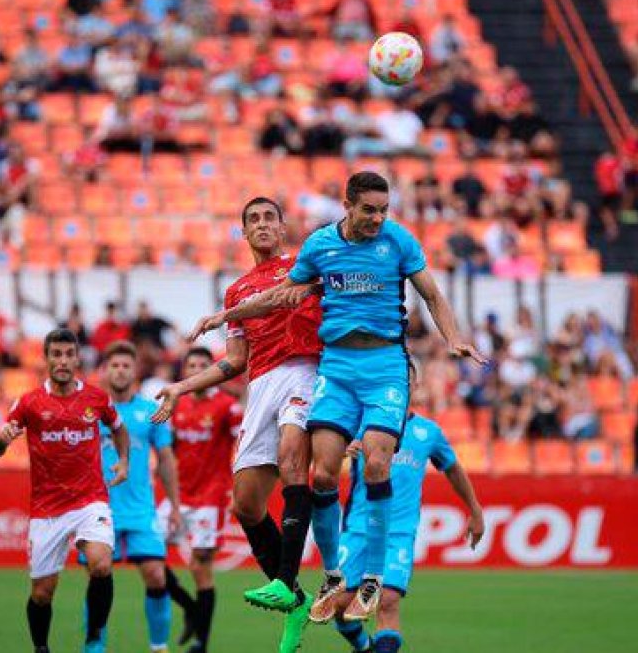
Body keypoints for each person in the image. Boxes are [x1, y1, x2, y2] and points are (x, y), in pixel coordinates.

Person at [188, 172, 485, 626]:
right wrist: (224, 316)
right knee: (324, 473)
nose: (377, 218)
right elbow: (279, 296)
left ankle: (371, 576)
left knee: (377, 461)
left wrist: (454, 338)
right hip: (337, 369)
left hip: (385, 365)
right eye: (369, 209)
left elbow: (432, 294)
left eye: (383, 209)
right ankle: (331, 575)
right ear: (348, 205)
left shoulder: (399, 242)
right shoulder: (320, 247)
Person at [152, 196, 323, 652]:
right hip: (261, 384)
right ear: (243, 234)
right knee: (245, 506)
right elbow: (234, 363)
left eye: (270, 217)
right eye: (253, 220)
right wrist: (180, 387)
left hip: (305, 369)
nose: (262, 224)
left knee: (291, 459)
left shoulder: (305, 266)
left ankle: (286, 581)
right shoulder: (236, 291)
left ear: (283, 227)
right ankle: (296, 602)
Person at [0, 328, 128, 653]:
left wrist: (123, 462)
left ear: (77, 358)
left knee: (101, 564)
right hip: (47, 509)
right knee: (42, 593)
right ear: (46, 359)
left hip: (91, 499)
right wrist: (1, 440)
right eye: (56, 354)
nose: (63, 361)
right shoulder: (29, 403)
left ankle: (94, 634)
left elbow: (119, 429)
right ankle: (41, 648)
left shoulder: (96, 398)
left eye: (68, 354)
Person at [330, 365, 484, 653]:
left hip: (398, 531)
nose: (402, 384)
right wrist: (342, 449)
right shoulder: (360, 424)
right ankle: (364, 647)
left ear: (414, 385)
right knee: (340, 605)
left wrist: (474, 509)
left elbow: (453, 469)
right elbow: (326, 454)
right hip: (359, 528)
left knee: (387, 600)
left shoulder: (428, 432)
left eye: (407, 379)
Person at [94, 341, 181, 653]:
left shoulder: (150, 411)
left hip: (142, 510)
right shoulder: (93, 411)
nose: (120, 370)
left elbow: (167, 459)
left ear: (135, 371)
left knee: (157, 576)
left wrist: (175, 506)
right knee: (99, 576)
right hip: (98, 509)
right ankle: (96, 646)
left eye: (125, 366)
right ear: (105, 371)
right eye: (114, 365)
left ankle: (159, 647)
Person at [158, 347, 243, 652]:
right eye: (191, 365)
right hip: (180, 494)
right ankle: (192, 609)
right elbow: (167, 450)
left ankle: (201, 642)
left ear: (214, 370)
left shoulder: (227, 407)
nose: (196, 370)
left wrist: (238, 488)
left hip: (211, 496)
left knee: (199, 565)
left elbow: (244, 443)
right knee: (150, 553)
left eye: (203, 365)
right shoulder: (176, 405)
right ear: (184, 372)